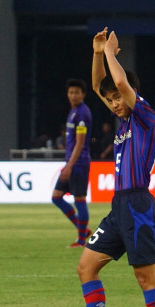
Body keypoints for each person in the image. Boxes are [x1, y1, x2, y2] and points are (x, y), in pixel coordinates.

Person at [67, 28, 155, 307]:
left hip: (139, 204)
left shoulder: (144, 116)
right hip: (119, 207)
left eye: (118, 99)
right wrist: (97, 53)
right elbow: (99, 86)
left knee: (145, 277)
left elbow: (121, 84)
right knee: (86, 266)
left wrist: (112, 53)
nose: (114, 103)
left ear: (131, 95)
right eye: (110, 101)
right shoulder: (123, 122)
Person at [51, 78, 93, 248]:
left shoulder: (82, 113)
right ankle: (83, 229)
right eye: (71, 92)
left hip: (79, 163)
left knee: (79, 199)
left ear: (83, 94)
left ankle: (81, 240)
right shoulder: (74, 111)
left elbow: (80, 143)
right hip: (72, 162)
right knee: (56, 197)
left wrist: (69, 166)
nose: (73, 95)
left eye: (77, 92)